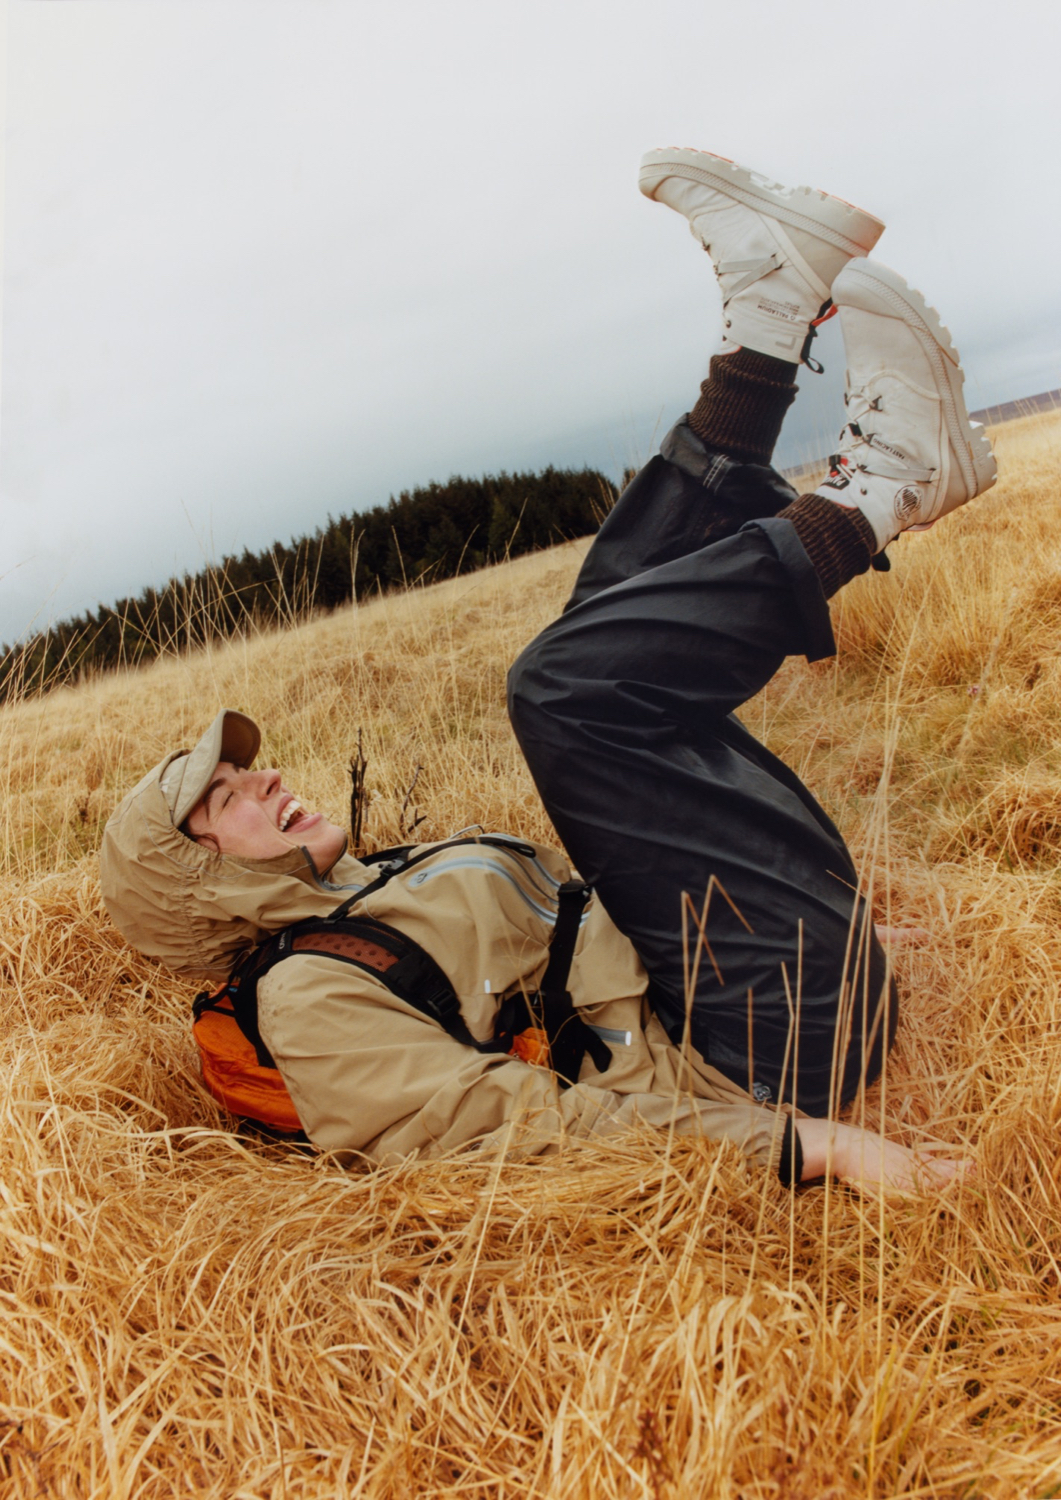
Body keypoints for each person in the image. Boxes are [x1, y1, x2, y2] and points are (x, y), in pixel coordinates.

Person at [99, 147, 996, 1193]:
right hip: (759, 1057)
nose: (263, 778)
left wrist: (801, 921)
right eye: (225, 799)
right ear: (204, 883)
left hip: (759, 971)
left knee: (596, 625)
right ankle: (880, 492)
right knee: (562, 692)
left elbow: (602, 921)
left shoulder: (371, 888)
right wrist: (810, 1145)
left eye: (241, 771)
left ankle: (764, 329)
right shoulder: (308, 1001)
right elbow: (518, 1132)